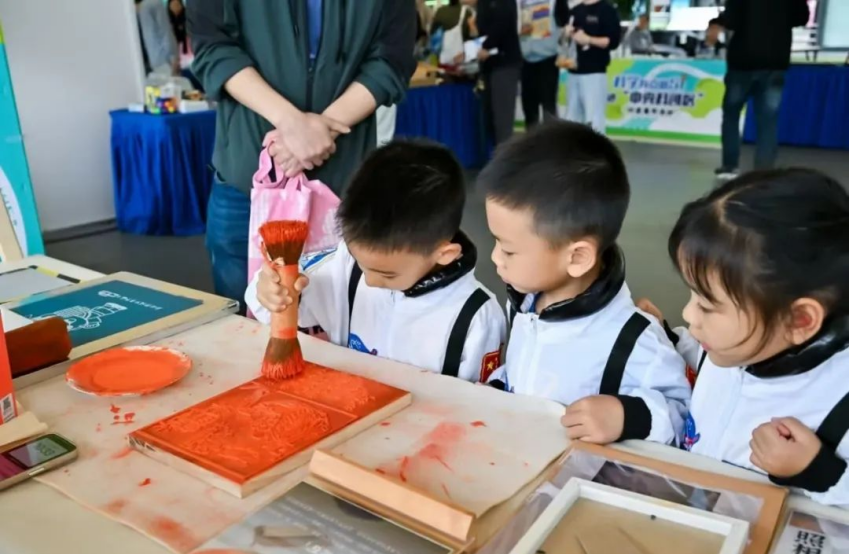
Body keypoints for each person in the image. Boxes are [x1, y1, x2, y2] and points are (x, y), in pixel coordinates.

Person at [187, 1, 417, 309]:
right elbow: (213, 44)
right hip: (247, 176)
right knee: (240, 313)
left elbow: (392, 58)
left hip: (342, 180)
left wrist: (321, 131)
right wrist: (291, 123)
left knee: (341, 313)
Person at [642, 169, 849, 505]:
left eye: (707, 305)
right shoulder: (729, 345)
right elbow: (700, 359)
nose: (688, 314)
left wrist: (818, 472)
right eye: (693, 295)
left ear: (798, 320)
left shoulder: (840, 400)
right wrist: (667, 338)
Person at [480, 121, 690, 446]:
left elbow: (682, 415)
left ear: (577, 258)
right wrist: (499, 385)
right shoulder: (523, 303)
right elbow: (522, 368)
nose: (495, 257)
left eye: (508, 249)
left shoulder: (633, 340)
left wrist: (626, 416)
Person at [246, 140, 507, 383]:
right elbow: (271, 304)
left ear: (444, 254)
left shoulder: (477, 317)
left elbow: (478, 405)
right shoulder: (345, 266)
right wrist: (272, 291)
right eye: (362, 264)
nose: (369, 281)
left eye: (387, 274)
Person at [716, 0, 809, 180]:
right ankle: (764, 171)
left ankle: (729, 166)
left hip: (743, 61)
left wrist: (720, 19)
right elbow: (801, 18)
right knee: (768, 121)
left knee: (731, 115)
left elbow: (732, 20)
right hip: (775, 61)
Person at [563, 0, 621, 133]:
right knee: (571, 119)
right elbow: (564, 41)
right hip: (573, 71)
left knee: (594, 119)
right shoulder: (575, 10)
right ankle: (572, 146)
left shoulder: (607, 10)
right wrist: (566, 34)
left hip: (594, 73)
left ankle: (596, 146)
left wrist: (588, 40)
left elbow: (613, 41)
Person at [477, 0, 522, 145]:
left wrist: (486, 46)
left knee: (503, 120)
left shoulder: (503, 4)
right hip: (488, 66)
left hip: (504, 64)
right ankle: (497, 154)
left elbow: (502, 23)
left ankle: (505, 156)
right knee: (491, 120)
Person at [519, 0, 566, 129]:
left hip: (548, 58)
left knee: (548, 106)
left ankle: (551, 140)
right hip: (526, 58)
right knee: (529, 107)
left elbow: (564, 21)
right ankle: (531, 140)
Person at [137, 0, 180, 76]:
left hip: (151, 60)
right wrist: (173, 56)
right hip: (164, 59)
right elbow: (165, 31)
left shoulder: (140, 8)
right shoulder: (155, 3)